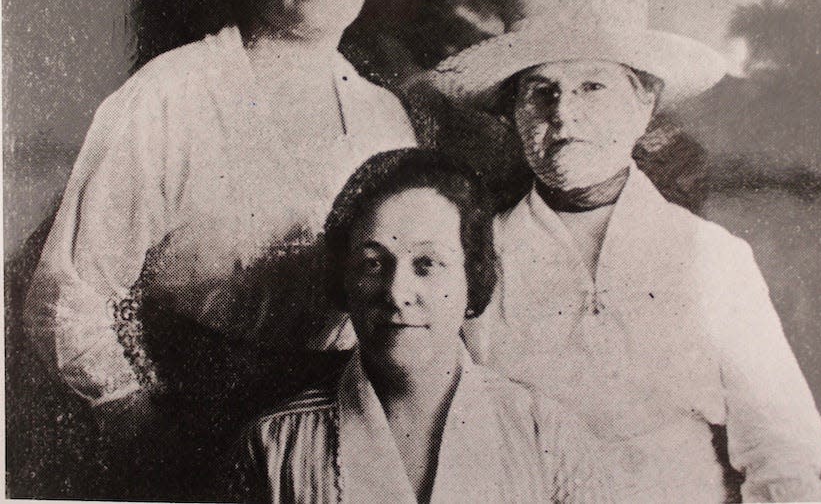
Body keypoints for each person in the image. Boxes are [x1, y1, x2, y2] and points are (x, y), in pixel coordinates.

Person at [24, 0, 473, 499]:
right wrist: (142, 425)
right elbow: (69, 296)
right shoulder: (172, 95)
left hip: (346, 429)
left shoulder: (383, 116)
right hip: (194, 420)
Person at [428, 0, 821, 503]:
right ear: (512, 114)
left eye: (592, 87)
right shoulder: (475, 256)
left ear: (644, 104)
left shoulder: (710, 255)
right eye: (540, 92)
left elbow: (781, 449)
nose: (563, 114)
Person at [237, 148, 625, 504]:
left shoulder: (547, 435)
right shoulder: (277, 442)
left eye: (428, 264)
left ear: (471, 276)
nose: (397, 293)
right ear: (344, 277)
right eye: (373, 263)